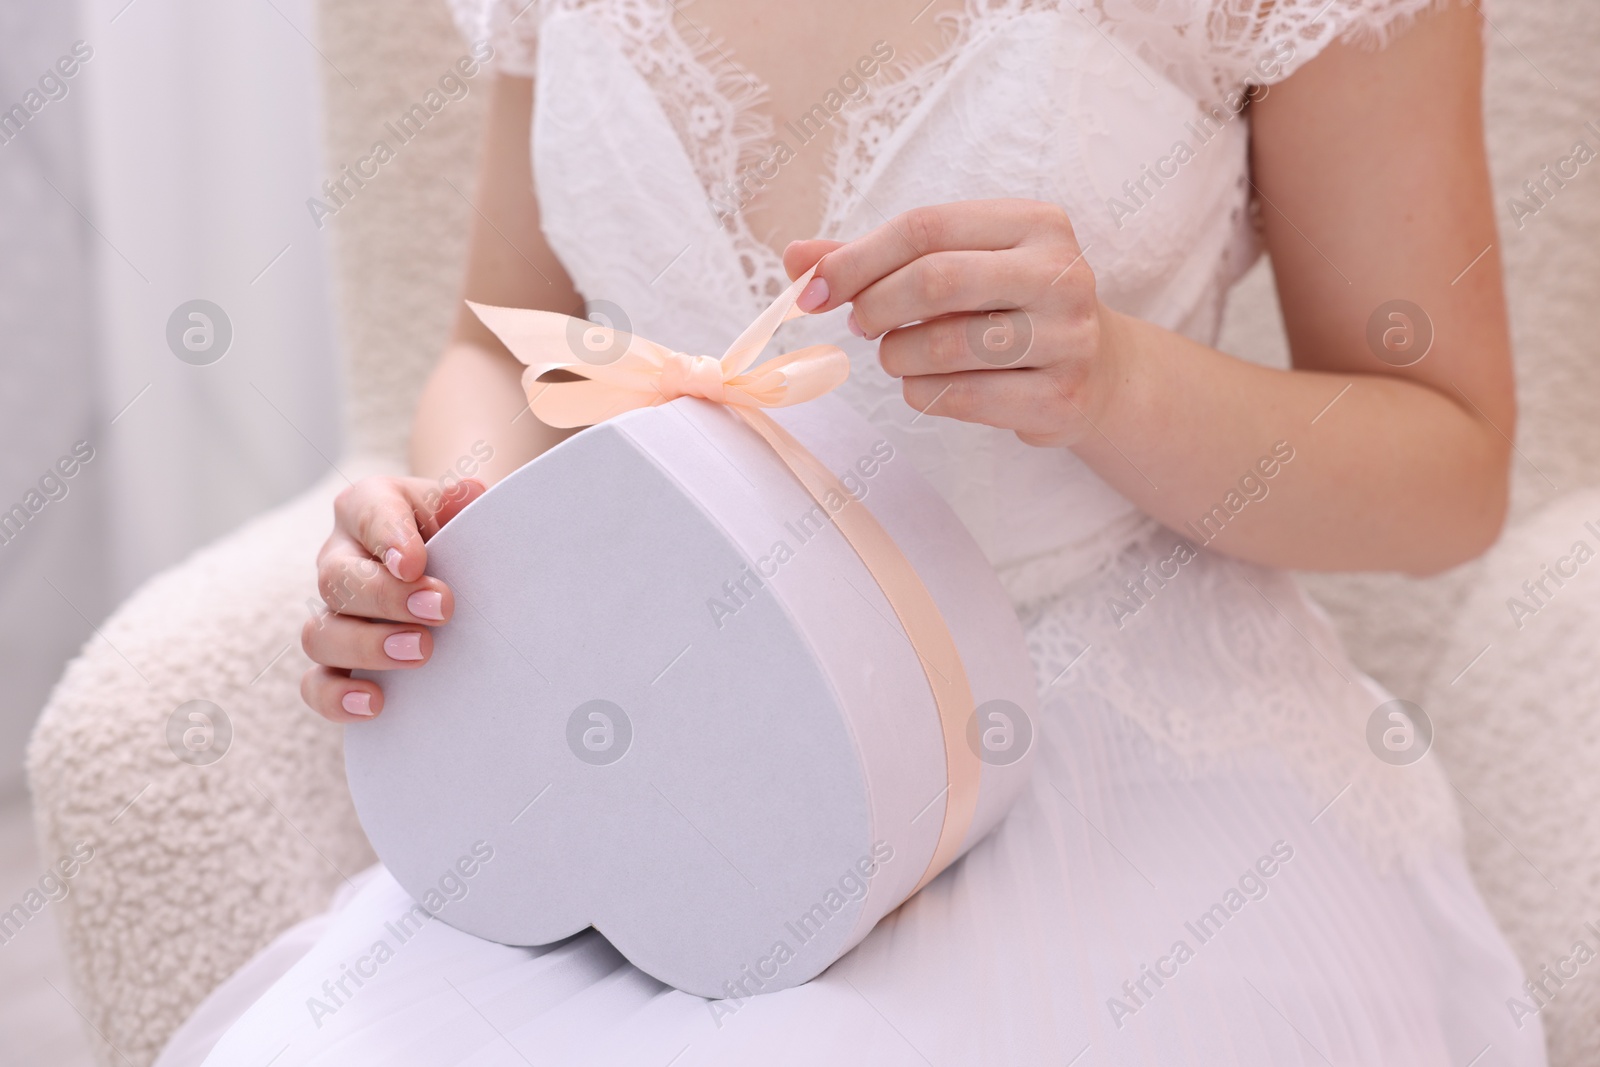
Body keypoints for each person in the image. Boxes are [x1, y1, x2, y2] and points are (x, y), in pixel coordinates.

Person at [197, 0, 1545, 1062]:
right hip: (661, 729)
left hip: (1119, 742)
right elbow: (498, 347)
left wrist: (1117, 385)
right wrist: (468, 537)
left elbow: (1449, 466)